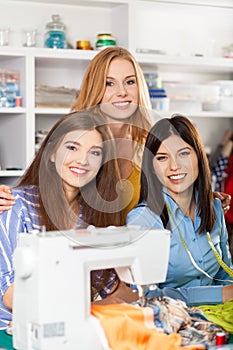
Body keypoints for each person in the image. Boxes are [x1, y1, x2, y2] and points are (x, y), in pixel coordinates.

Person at [0, 46, 230, 217]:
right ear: (95, 88)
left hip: (136, 259)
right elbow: (38, 194)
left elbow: (170, 194)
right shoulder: (74, 137)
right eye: (109, 83)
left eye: (129, 82)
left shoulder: (151, 142)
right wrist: (7, 199)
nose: (122, 92)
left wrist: (202, 199)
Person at [0, 110, 137, 330]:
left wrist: (92, 306)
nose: (83, 160)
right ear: (52, 153)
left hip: (68, 329)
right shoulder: (16, 206)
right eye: (72, 147)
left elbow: (120, 290)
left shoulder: (92, 217)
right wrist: (93, 305)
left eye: (95, 153)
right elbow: (12, 295)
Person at [126, 114, 233, 306]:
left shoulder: (215, 207)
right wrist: (218, 295)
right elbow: (145, 296)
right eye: (162, 157)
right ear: (152, 166)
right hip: (171, 323)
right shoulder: (143, 220)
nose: (174, 166)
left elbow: (225, 276)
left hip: (216, 322)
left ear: (199, 156)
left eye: (184, 153)